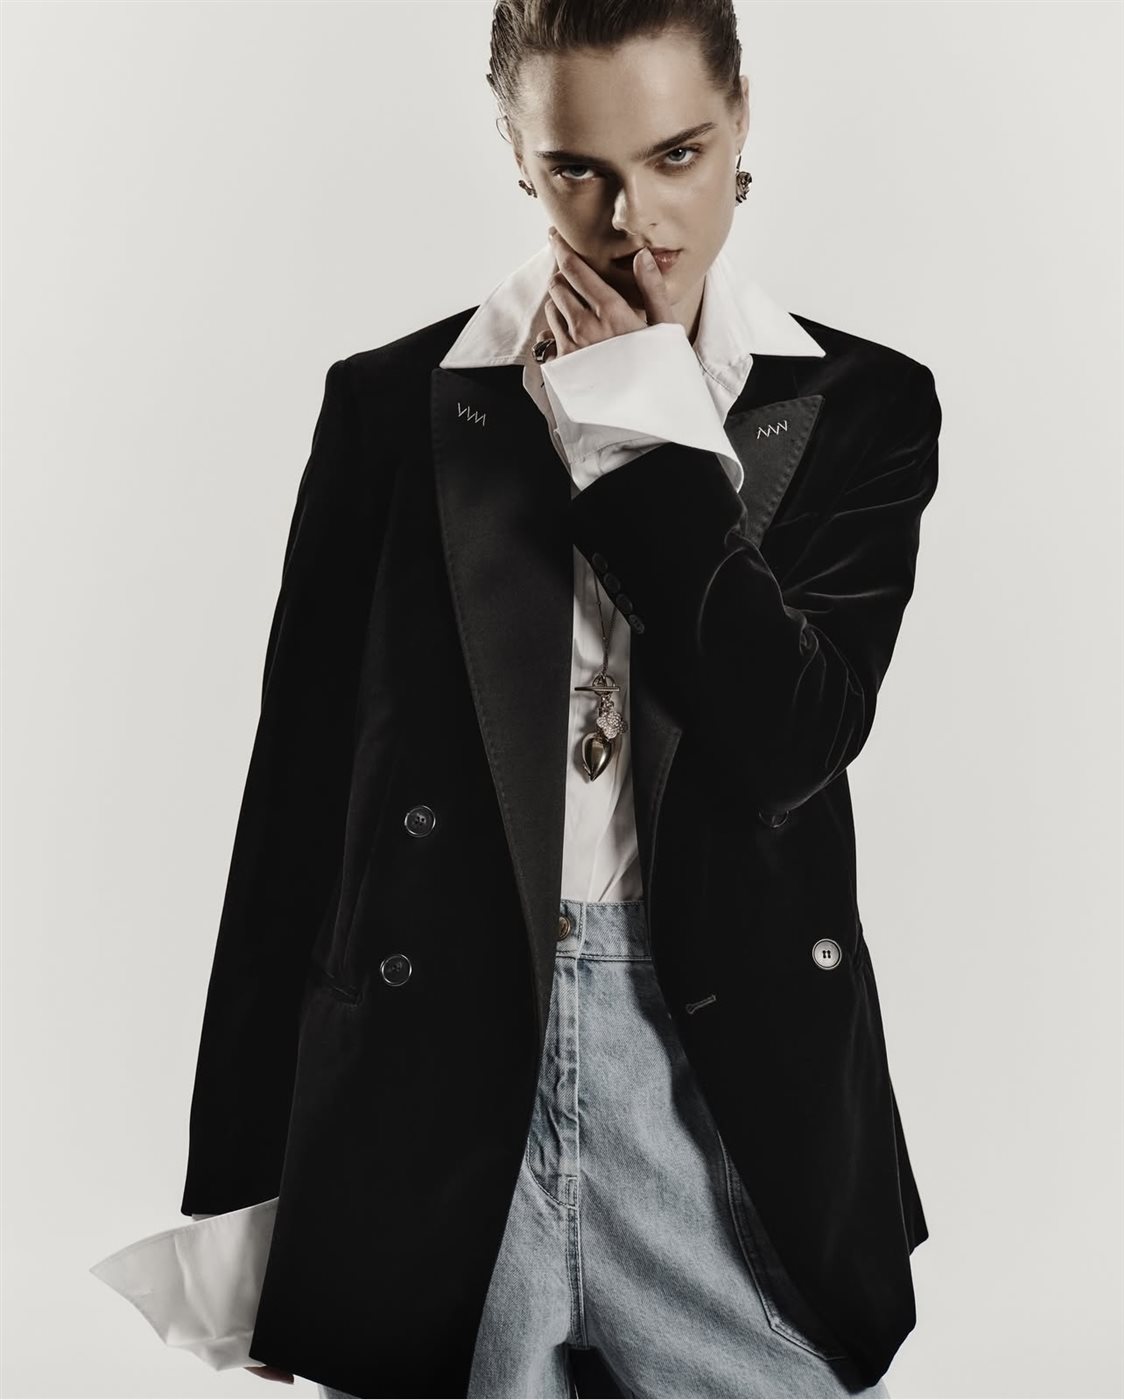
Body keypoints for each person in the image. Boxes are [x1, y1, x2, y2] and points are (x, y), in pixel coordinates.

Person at [93, 2, 940, 1396]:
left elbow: (793, 734)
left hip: (720, 1086)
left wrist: (640, 434)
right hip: (433, 1088)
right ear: (513, 150)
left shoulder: (862, 405)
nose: (633, 224)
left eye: (677, 155)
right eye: (576, 170)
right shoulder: (394, 407)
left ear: (742, 124)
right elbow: (297, 800)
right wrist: (242, 1174)